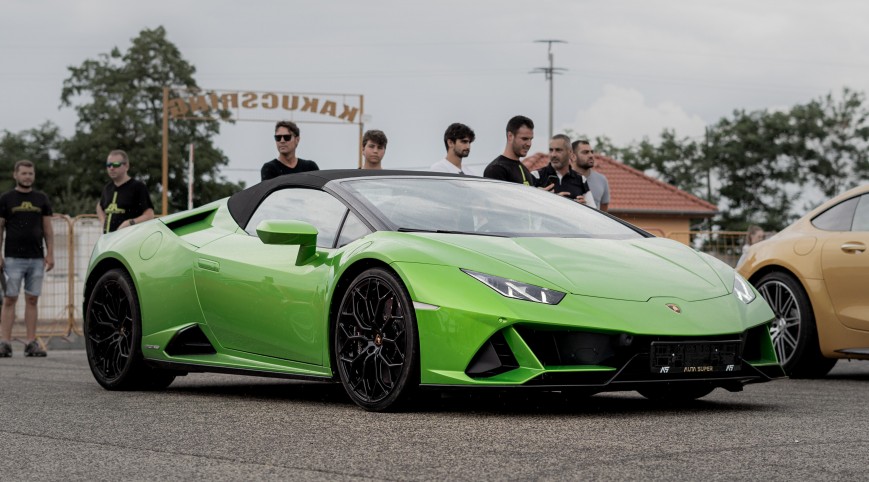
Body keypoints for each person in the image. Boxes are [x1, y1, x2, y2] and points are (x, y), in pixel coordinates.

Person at [0, 160, 54, 357]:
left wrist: (50, 253)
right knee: (9, 299)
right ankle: (4, 343)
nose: (27, 177)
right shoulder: (6, 199)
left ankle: (31, 343)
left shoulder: (41, 199)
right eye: (23, 173)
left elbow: (48, 229)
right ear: (16, 175)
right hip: (12, 258)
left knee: (32, 299)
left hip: (36, 259)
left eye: (30, 173)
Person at [97, 150, 155, 234]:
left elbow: (149, 215)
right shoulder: (107, 188)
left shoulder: (138, 187)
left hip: (130, 240)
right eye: (108, 165)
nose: (111, 168)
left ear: (126, 166)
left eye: (116, 164)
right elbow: (99, 206)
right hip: (109, 240)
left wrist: (130, 223)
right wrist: (103, 222)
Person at [537, 134, 594, 207]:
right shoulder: (536, 176)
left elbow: (593, 211)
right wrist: (549, 200)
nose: (553, 155)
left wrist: (584, 207)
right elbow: (526, 207)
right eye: (551, 150)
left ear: (570, 153)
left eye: (558, 150)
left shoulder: (581, 179)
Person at [484, 115, 537, 186]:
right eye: (524, 139)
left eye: (531, 139)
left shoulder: (524, 169)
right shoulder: (496, 169)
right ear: (510, 136)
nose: (529, 144)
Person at [571, 139, 610, 211]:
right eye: (585, 152)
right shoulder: (561, 180)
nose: (591, 155)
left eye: (591, 152)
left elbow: (604, 211)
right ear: (573, 156)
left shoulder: (602, 180)